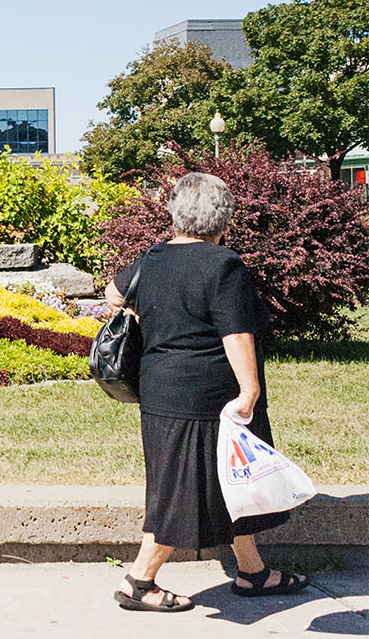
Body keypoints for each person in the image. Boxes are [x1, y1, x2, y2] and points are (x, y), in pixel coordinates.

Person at [104, 171, 307, 612]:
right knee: (183, 493)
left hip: (159, 392)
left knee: (231, 484)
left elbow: (113, 292)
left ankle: (253, 573)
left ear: (176, 214)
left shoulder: (153, 257)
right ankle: (139, 582)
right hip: (210, 400)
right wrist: (249, 390)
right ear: (224, 220)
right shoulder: (223, 264)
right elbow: (237, 334)